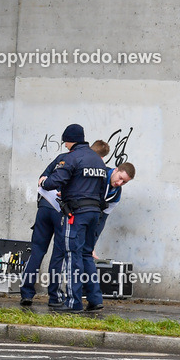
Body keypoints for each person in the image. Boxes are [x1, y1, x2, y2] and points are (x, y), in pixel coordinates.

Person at [39, 124, 108, 312]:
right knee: (86, 255)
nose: (65, 146)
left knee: (72, 256)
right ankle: (95, 299)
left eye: (65, 142)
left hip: (76, 214)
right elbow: (103, 191)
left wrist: (44, 181)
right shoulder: (98, 160)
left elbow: (56, 181)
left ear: (70, 140)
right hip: (94, 213)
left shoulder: (72, 157)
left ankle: (74, 303)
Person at [80, 162, 136, 310]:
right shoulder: (99, 175)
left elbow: (102, 220)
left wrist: (92, 243)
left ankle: (91, 299)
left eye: (124, 182)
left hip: (92, 221)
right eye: (120, 178)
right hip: (79, 217)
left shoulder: (116, 193)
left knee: (85, 257)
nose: (119, 183)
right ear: (115, 170)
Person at [19, 152, 65, 307]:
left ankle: (26, 293)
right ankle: (54, 297)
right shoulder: (79, 160)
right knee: (58, 255)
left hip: (44, 207)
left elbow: (42, 178)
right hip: (62, 211)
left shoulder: (60, 158)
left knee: (37, 251)